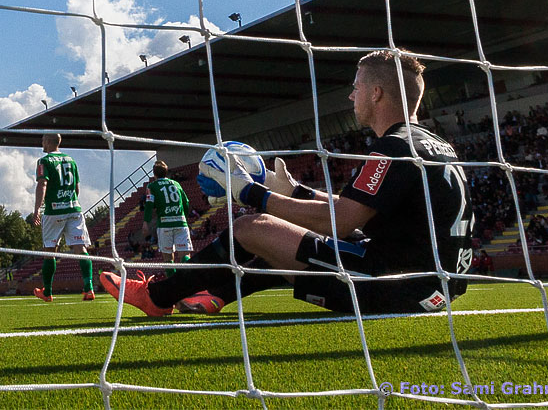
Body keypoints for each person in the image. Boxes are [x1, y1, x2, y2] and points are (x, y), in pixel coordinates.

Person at [100, 50, 475, 316]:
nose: (351, 94)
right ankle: (214, 294)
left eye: (358, 87)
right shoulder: (429, 142)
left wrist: (249, 192)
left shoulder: (392, 146)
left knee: (252, 226)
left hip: (401, 288)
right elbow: (364, 212)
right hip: (435, 285)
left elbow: (342, 221)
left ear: (377, 93)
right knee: (286, 233)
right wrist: (295, 191)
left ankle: (156, 297)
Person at [32, 133, 94, 302]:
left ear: (48, 142)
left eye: (43, 139)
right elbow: (77, 187)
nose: (41, 142)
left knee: (50, 251)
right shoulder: (71, 160)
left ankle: (48, 292)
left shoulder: (44, 161)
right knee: (81, 249)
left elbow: (42, 184)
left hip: (54, 211)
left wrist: (37, 209)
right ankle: (88, 288)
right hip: (74, 208)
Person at [142, 160, 193, 276]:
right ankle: (190, 284)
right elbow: (186, 202)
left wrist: (146, 222)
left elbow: (149, 204)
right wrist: (184, 217)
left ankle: (173, 286)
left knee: (168, 258)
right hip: (181, 222)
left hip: (165, 224)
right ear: (166, 172)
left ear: (154, 174)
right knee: (185, 255)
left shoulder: (152, 186)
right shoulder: (176, 184)